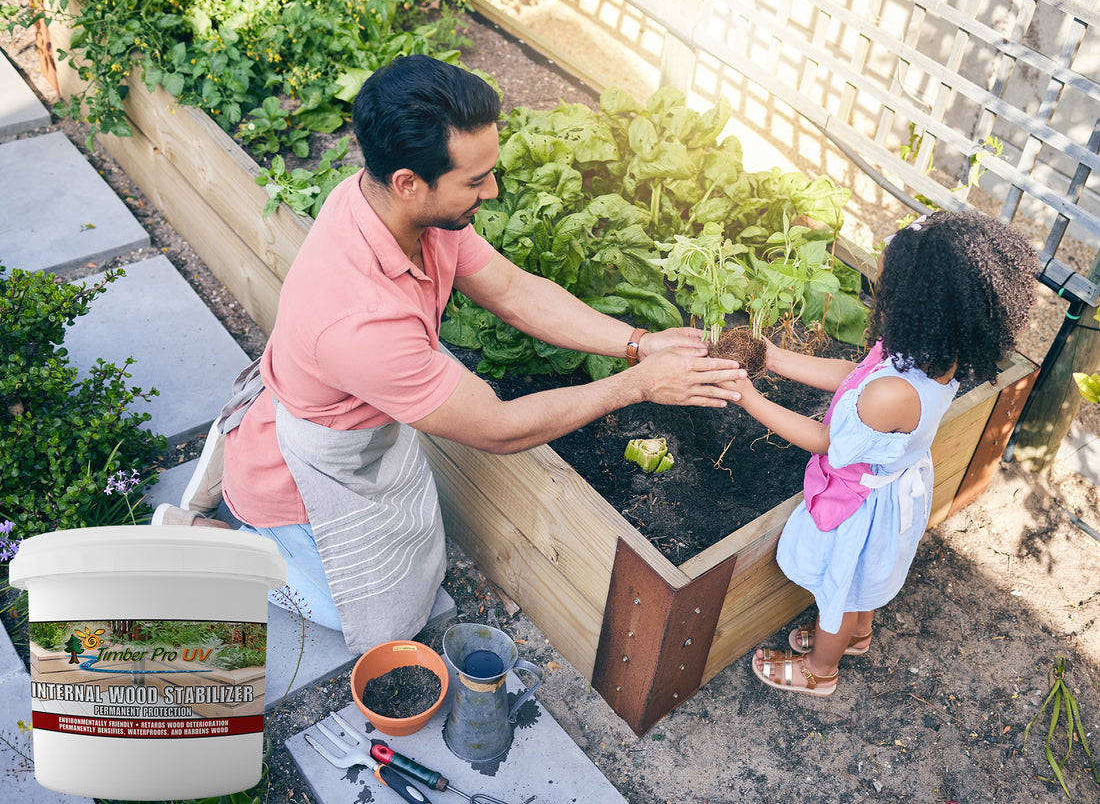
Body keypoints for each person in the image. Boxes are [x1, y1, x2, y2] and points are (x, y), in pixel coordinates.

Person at [154, 55, 743, 653]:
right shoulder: (363, 322)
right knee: (376, 623)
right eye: (475, 180)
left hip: (359, 421)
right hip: (303, 473)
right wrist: (637, 384)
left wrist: (639, 343)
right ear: (409, 182)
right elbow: (498, 428)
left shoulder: (391, 206)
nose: (492, 191)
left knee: (414, 575)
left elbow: (514, 292)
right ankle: (210, 534)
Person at [728, 210, 1038, 696]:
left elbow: (824, 442)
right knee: (863, 579)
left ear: (914, 301)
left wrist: (750, 397)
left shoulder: (890, 395)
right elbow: (855, 377)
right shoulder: (934, 355)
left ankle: (819, 670)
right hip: (894, 485)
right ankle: (856, 636)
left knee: (843, 590)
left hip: (861, 505)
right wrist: (774, 359)